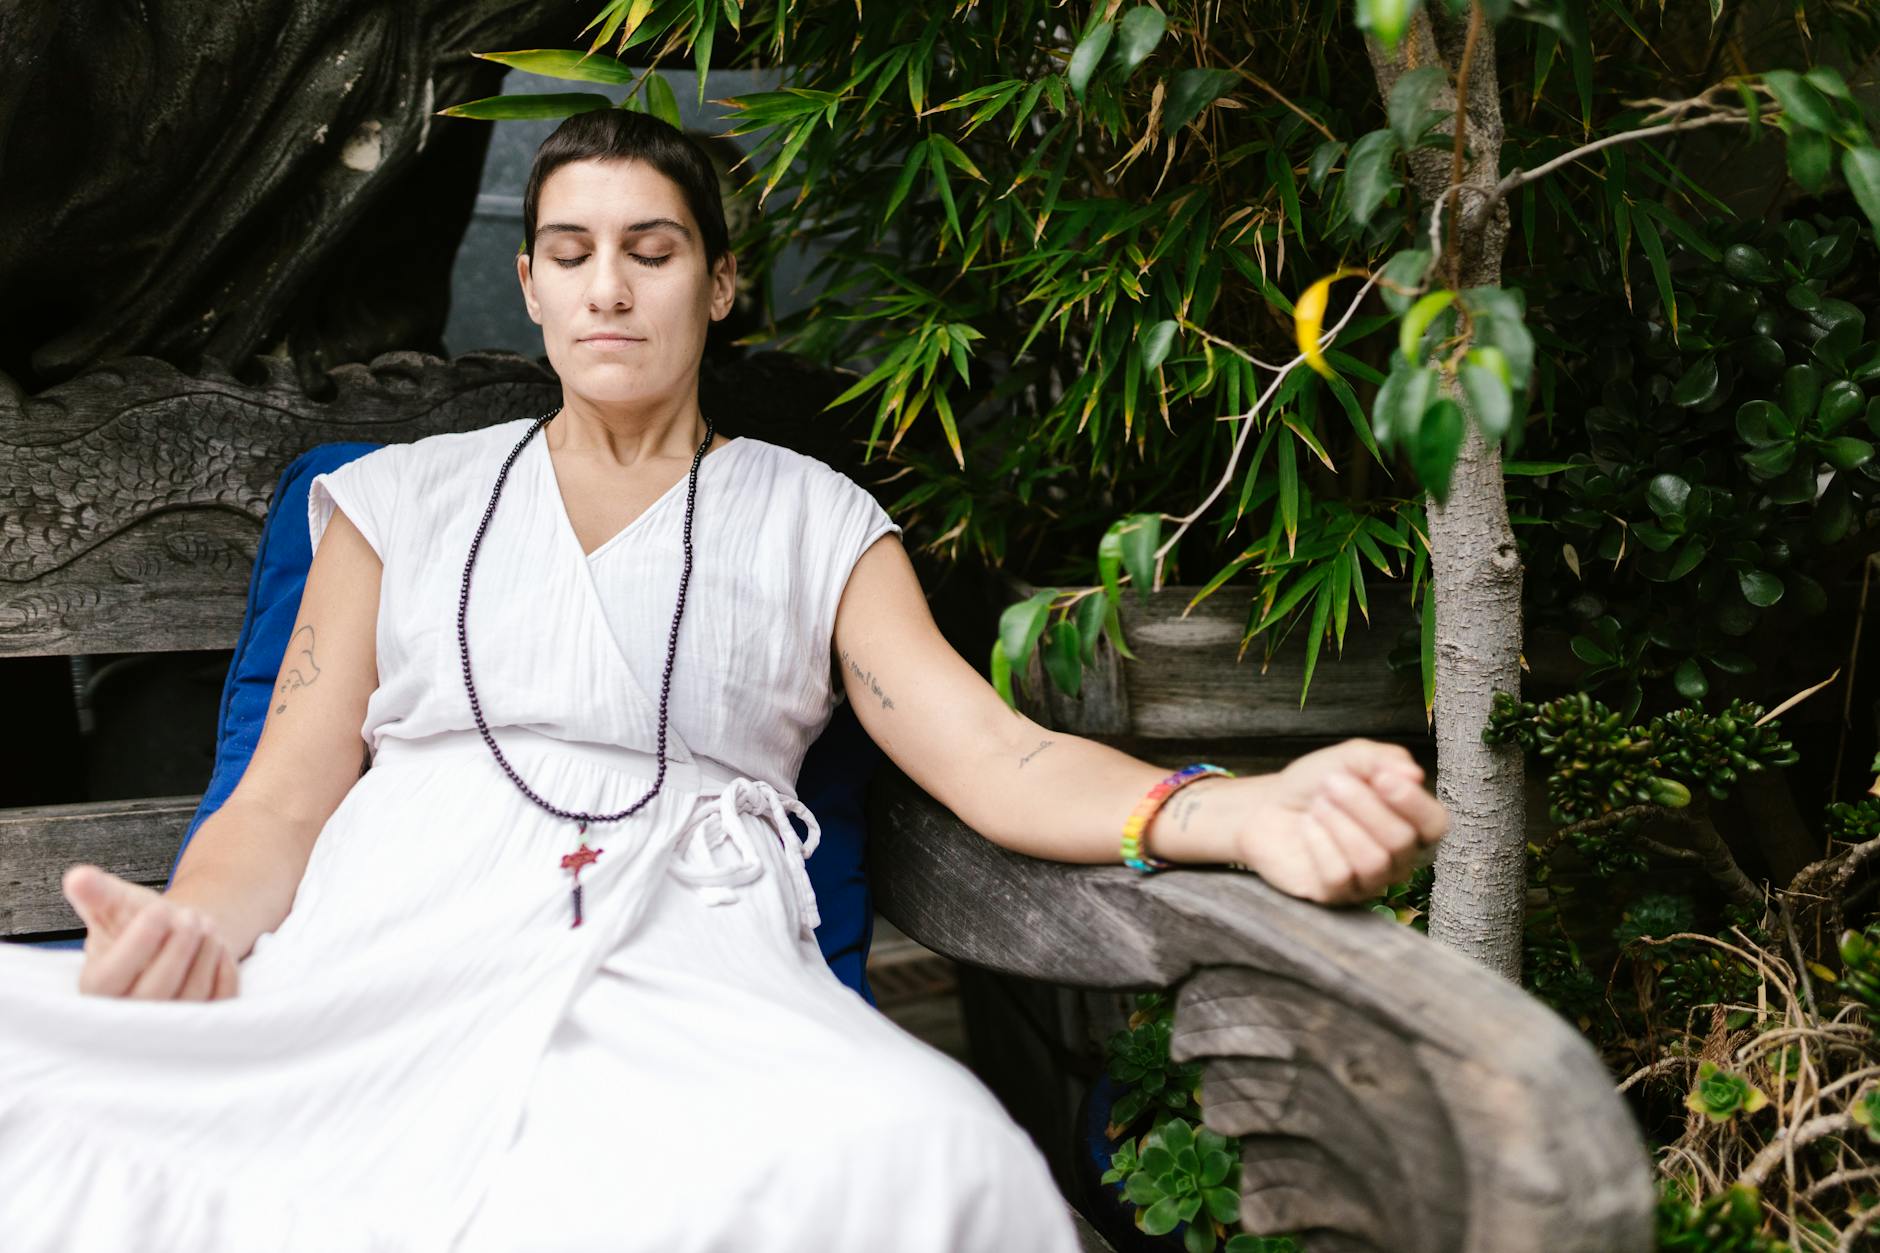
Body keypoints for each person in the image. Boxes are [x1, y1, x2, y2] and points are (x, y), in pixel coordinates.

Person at [0, 109, 1449, 1252]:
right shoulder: (396, 501)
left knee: (933, 1156)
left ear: (721, 277)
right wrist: (193, 923)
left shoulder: (815, 517)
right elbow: (283, 800)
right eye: (568, 252)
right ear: (528, 284)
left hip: (689, 953)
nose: (608, 285)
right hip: (400, 930)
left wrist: (1236, 808)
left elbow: (992, 753)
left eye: (652, 247)